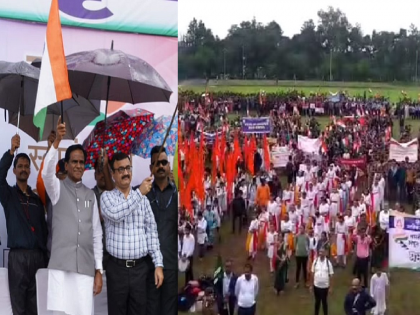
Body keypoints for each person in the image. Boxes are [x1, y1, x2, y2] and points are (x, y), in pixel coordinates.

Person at [42, 118, 103, 315]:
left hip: (85, 270)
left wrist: (98, 270)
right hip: (60, 269)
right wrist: (57, 143)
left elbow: (96, 234)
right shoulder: (56, 189)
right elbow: (46, 175)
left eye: (81, 162)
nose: (78, 165)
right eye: (74, 162)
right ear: (66, 166)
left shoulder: (91, 196)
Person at [100, 152, 164, 315]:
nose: (125, 173)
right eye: (120, 169)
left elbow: (151, 232)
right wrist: (139, 193)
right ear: (113, 174)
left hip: (140, 270)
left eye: (128, 168)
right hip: (117, 270)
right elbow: (116, 214)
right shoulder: (107, 198)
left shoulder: (142, 199)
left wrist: (158, 264)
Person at [0, 134, 48, 315]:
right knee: (18, 308)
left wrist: (44, 256)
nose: (23, 169)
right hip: (18, 259)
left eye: (26, 167)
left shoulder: (36, 199)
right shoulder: (8, 196)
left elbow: (43, 231)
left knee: (35, 307)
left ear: (30, 171)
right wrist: (11, 151)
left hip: (37, 258)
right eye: (19, 166)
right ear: (14, 170)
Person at [143, 146, 178, 315]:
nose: (161, 166)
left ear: (169, 165)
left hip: (171, 264)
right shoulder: (143, 194)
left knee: (169, 310)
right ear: (151, 168)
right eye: (157, 163)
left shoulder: (178, 194)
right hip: (149, 266)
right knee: (151, 310)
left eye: (164, 162)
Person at [311, 247, 334, 315]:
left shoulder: (328, 263)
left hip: (325, 287)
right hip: (316, 286)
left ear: (325, 253)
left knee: (324, 302)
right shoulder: (315, 261)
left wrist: (331, 287)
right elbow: (312, 272)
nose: (321, 253)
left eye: (322, 252)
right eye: (320, 252)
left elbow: (331, 275)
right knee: (317, 302)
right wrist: (311, 285)